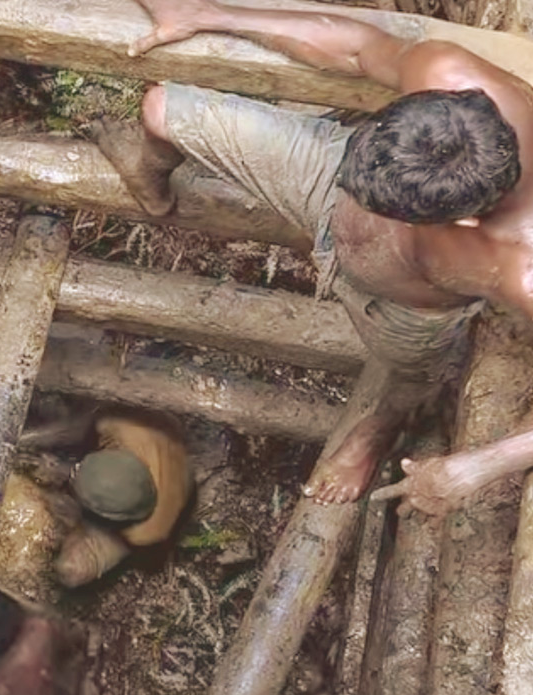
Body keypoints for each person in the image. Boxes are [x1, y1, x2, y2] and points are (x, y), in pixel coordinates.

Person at [94, 0, 533, 514]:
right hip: (329, 173)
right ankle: (150, 178)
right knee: (163, 109)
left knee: (408, 372)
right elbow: (357, 48)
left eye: (389, 211)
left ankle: (376, 431)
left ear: (465, 221)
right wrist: (212, 14)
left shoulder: (521, 269)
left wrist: (476, 466)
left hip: (402, 307)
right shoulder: (445, 73)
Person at [55, 411, 191, 587]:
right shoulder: (117, 424)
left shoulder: (148, 532)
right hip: (168, 439)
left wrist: (84, 560)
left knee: (77, 566)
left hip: (175, 468)